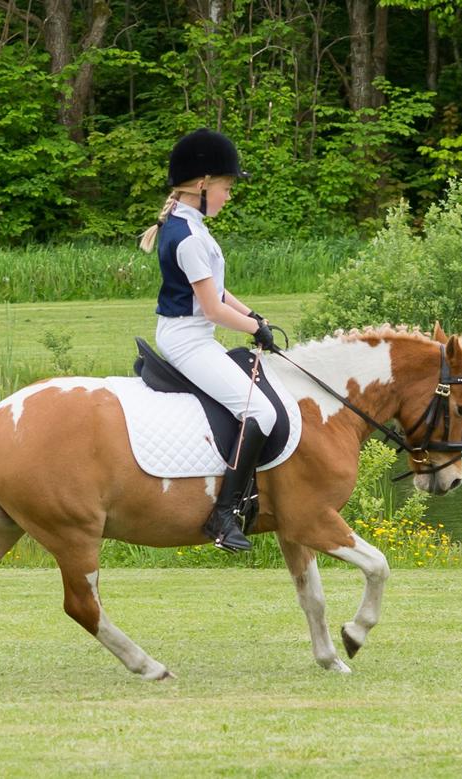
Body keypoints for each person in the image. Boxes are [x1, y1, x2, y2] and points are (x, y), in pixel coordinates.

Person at [138, 128, 276, 553]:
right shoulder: (191, 238)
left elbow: (215, 289)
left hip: (189, 333)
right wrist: (253, 329)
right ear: (202, 185)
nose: (228, 197)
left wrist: (253, 314)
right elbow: (213, 309)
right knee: (261, 412)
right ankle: (223, 514)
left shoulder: (186, 225)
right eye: (226, 188)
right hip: (188, 339)